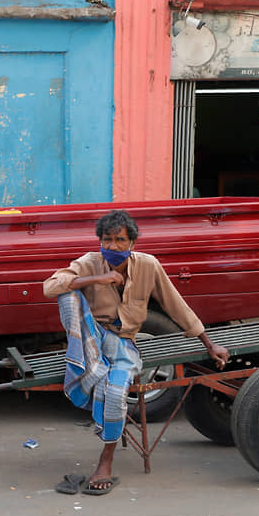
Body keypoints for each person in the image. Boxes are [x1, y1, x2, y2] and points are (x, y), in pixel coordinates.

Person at [43, 209, 229, 495]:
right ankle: (92, 367)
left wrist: (209, 343)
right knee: (67, 295)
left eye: (120, 240)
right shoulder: (90, 262)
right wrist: (97, 280)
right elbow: (49, 287)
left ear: (133, 243)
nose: (113, 246)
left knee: (116, 394)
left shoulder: (148, 265)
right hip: (92, 337)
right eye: (107, 240)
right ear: (99, 241)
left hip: (123, 343)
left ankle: (106, 460)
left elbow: (175, 305)